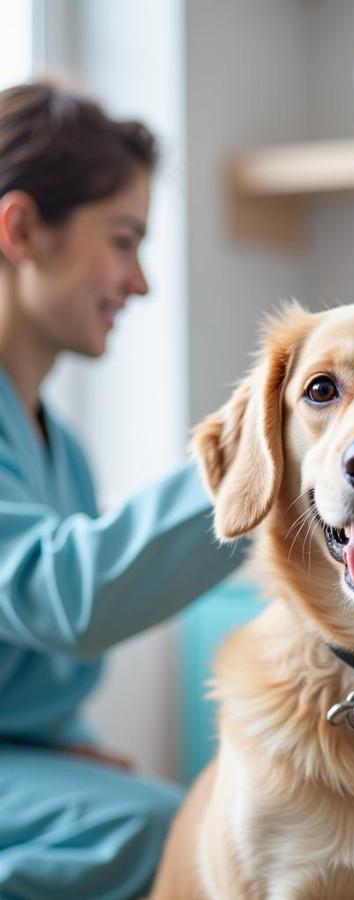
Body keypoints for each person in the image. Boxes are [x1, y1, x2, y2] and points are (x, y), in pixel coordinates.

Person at [0, 82, 243, 899]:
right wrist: (261, 465)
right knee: (175, 836)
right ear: (21, 228)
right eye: (123, 240)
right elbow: (59, 596)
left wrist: (58, 748)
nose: (138, 283)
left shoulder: (57, 446)